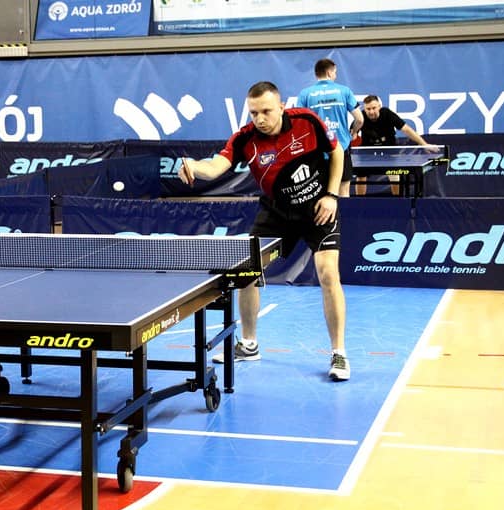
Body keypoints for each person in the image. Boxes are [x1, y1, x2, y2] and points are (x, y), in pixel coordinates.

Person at [178, 81, 350, 381]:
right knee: (246, 272)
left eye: (266, 111)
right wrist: (194, 165)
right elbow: (216, 166)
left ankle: (339, 352)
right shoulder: (245, 139)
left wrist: (331, 195)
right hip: (276, 211)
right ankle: (249, 344)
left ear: (281, 107)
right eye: (254, 113)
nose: (259, 118)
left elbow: (336, 152)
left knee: (327, 273)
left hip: (317, 209)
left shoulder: (307, 121)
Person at [296, 58, 363, 198]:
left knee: (318, 192)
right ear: (329, 72)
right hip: (342, 147)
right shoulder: (344, 91)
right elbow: (360, 119)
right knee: (343, 191)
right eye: (335, 72)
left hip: (316, 150)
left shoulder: (305, 94)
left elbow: (299, 123)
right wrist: (354, 131)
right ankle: (342, 213)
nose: (336, 75)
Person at [354, 94, 430, 196]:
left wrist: (424, 144)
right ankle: (359, 202)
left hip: (389, 150)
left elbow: (406, 129)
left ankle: (397, 201)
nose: (371, 111)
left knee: (394, 175)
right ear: (364, 108)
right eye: (368, 109)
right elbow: (352, 135)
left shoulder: (387, 114)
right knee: (360, 175)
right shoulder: (361, 117)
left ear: (379, 106)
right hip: (367, 151)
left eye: (374, 108)